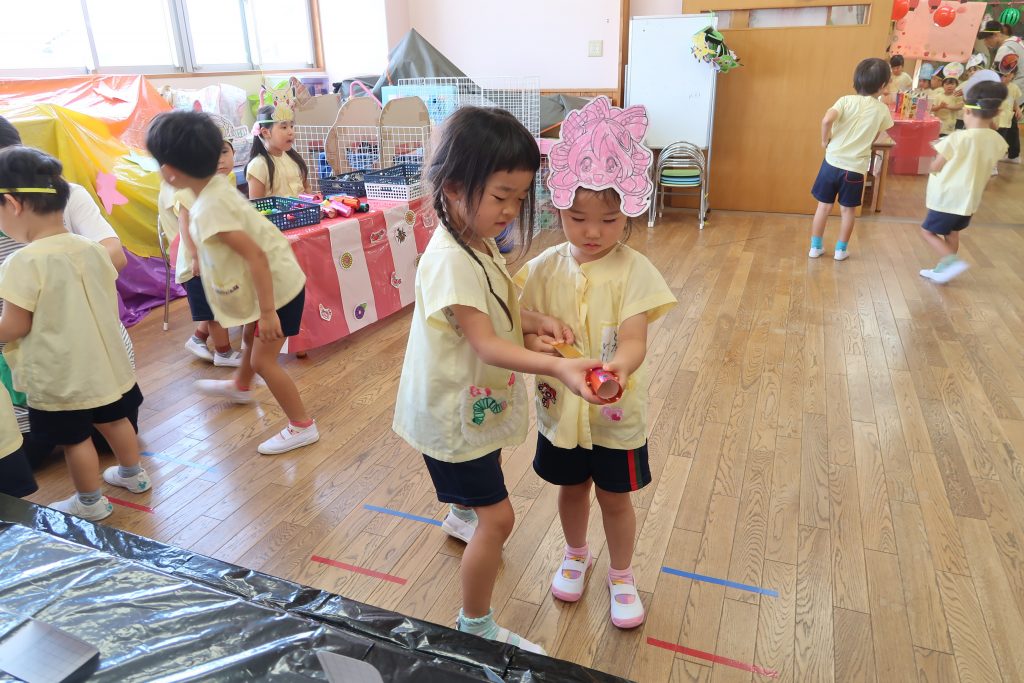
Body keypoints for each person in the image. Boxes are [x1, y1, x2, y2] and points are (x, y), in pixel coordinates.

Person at [392, 106, 602, 654]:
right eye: (501, 196)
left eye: (519, 197)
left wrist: (531, 323)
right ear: (454, 187)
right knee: (501, 520)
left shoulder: (477, 240)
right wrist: (558, 366)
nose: (510, 211)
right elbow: (485, 342)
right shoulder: (451, 259)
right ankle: (475, 626)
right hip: (449, 415)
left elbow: (491, 310)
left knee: (485, 478)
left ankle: (462, 510)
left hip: (467, 402)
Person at [516, 97, 676, 629]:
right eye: (577, 218)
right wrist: (535, 337)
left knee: (615, 497)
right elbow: (517, 319)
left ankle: (622, 574)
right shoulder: (543, 267)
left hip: (615, 415)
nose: (592, 232)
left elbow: (634, 338)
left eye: (608, 220)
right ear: (558, 208)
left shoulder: (635, 270)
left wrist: (622, 368)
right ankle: (575, 554)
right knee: (570, 489)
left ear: (626, 212)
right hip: (561, 411)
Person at [146, 111, 318, 456]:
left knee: (264, 361)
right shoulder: (212, 191)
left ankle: (302, 425)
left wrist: (267, 312)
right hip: (269, 283)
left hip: (277, 289)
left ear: (169, 171)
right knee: (252, 338)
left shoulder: (211, 206)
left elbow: (256, 256)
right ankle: (241, 385)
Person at [0, 147, 149, 521]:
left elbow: (16, 325)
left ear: (12, 204)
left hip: (63, 373)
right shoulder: (93, 249)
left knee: (75, 439)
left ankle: (90, 501)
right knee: (116, 420)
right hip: (106, 362)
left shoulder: (21, 262)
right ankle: (133, 474)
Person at [162, 138, 242, 365]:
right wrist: (196, 257)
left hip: (216, 261)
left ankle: (198, 338)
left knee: (216, 305)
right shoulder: (191, 189)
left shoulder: (224, 184)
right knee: (215, 310)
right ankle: (223, 352)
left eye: (224, 152)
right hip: (197, 265)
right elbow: (184, 226)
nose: (220, 160)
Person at [919, 80, 1008, 284]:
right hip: (969, 201)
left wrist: (936, 155)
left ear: (966, 111)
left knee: (927, 231)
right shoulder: (999, 141)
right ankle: (943, 270)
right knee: (952, 232)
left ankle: (951, 262)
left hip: (948, 198)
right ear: (996, 112)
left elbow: (936, 167)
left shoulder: (956, 139)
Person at [809, 57, 894, 261]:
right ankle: (841, 250)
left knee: (823, 207)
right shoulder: (882, 110)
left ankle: (815, 247)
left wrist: (824, 140)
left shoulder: (845, 100)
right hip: (855, 168)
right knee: (848, 211)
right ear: (883, 85)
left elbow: (827, 119)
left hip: (831, 163)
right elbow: (876, 135)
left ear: (856, 80)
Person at [246, 103, 307, 199]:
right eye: (284, 127)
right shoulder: (258, 165)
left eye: (291, 126)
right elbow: (257, 205)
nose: (291, 132)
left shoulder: (294, 158)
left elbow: (307, 189)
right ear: (266, 132)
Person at [997, 55, 1022, 163]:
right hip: (996, 119)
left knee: (1002, 140)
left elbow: (1014, 100)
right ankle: (993, 161)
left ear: (1013, 75)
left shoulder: (1014, 87)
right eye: (1002, 76)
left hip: (1006, 120)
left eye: (1007, 76)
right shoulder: (996, 86)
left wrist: (1018, 109)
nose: (1004, 78)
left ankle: (998, 160)